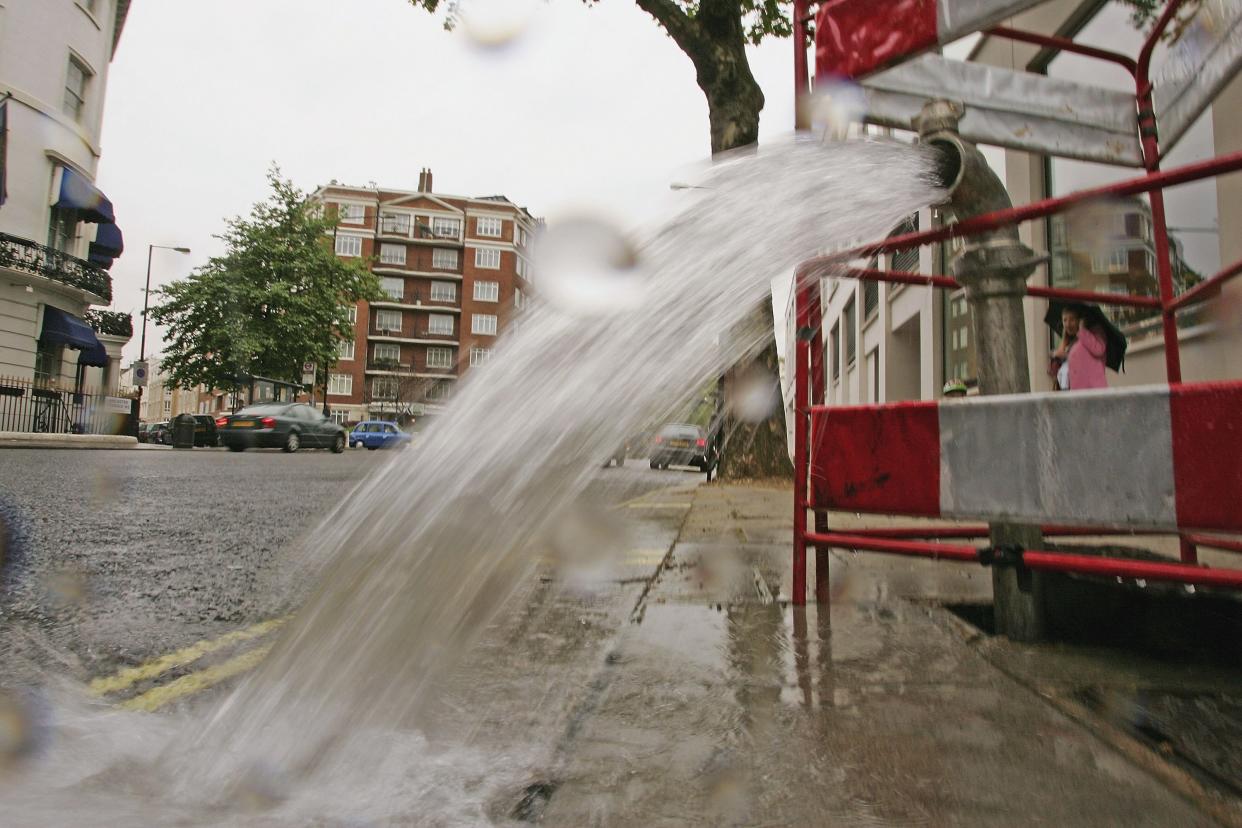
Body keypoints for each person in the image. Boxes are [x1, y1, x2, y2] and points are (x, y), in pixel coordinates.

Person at [1051, 304, 1108, 391]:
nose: (1068, 324)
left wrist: (1082, 330)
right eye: (1065, 320)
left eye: (1072, 319)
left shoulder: (1094, 332)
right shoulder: (1067, 341)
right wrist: (1057, 359)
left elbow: (1098, 350)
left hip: (1092, 389)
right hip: (1071, 390)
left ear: (1080, 320)